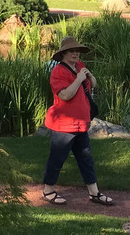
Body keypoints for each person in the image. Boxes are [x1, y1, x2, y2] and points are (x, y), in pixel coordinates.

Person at [41, 36, 115, 206]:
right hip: (63, 124)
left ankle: (94, 193)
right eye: (71, 51)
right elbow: (65, 95)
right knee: (57, 158)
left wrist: (89, 76)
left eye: (77, 51)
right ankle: (48, 191)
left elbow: (94, 85)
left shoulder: (80, 67)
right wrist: (79, 79)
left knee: (86, 158)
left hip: (81, 124)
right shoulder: (58, 72)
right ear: (63, 53)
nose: (76, 53)